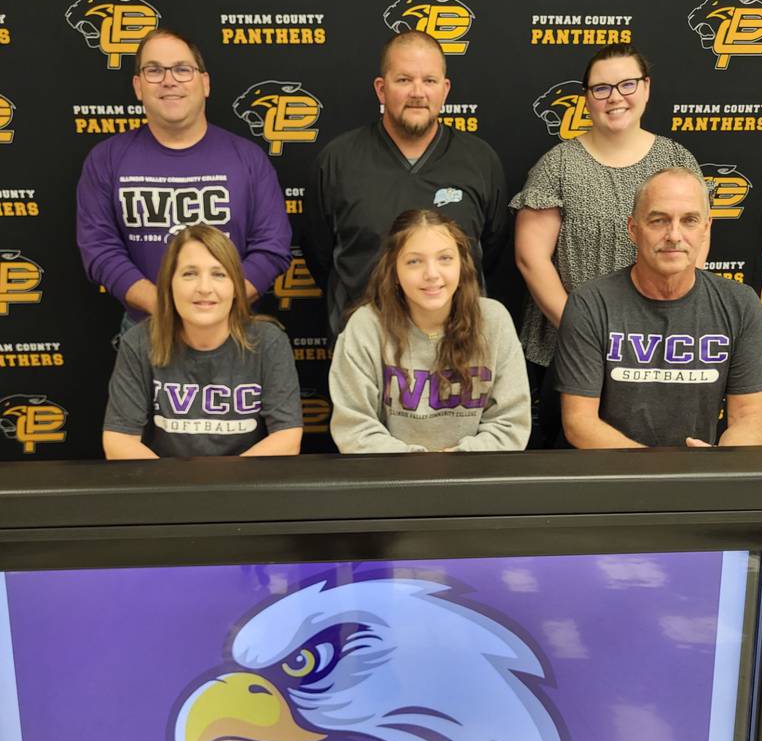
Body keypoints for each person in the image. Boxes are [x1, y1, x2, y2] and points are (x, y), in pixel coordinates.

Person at [511, 43, 703, 445]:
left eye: (627, 84)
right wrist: (585, 330)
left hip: (655, 350)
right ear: (587, 99)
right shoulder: (558, 165)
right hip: (570, 346)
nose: (615, 96)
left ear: (646, 88)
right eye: (601, 88)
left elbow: (693, 248)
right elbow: (532, 259)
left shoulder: (677, 160)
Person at [77, 28, 291, 325]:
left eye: (182, 69)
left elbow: (272, 247)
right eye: (154, 70)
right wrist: (165, 308)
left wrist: (213, 309)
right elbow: (100, 250)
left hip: (232, 328)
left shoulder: (248, 158)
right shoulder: (106, 159)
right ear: (138, 87)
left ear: (204, 83)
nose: (169, 80)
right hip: (147, 330)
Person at [303, 30, 509, 335]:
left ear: (445, 89)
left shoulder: (479, 160)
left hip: (457, 344)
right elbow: (319, 254)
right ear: (381, 89)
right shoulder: (338, 160)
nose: (417, 92)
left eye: (429, 80)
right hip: (366, 345)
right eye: (404, 80)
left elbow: (490, 250)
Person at [554, 168, 762, 449]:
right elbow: (579, 422)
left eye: (690, 220)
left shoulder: (740, 303)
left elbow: (750, 417)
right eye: (659, 220)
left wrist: (723, 461)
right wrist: (661, 473)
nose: (674, 235)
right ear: (633, 229)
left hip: (700, 473)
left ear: (706, 228)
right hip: (612, 474)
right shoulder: (591, 303)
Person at [329, 209, 530, 453]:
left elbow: (510, 424)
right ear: (393, 270)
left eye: (444, 258)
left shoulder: (493, 320)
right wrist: (421, 467)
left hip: (475, 479)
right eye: (414, 261)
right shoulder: (366, 327)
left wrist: (453, 464)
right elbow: (354, 428)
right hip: (391, 481)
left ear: (462, 265)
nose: (432, 274)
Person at [103, 224, 303, 458]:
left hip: (244, 487)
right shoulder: (138, 342)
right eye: (189, 274)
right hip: (166, 487)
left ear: (236, 287)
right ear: (168, 285)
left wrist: (222, 490)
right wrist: (178, 491)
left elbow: (287, 438)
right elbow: (119, 441)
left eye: (218, 274)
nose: (204, 288)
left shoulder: (268, 342)